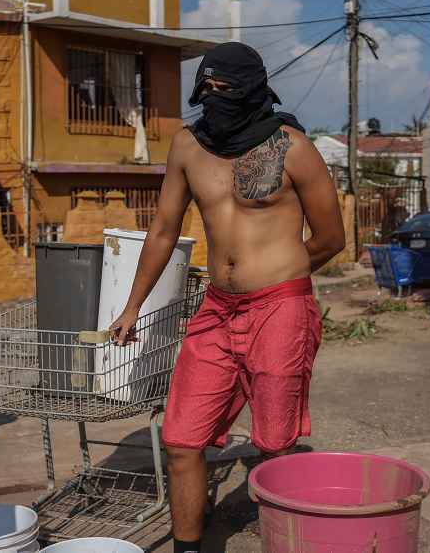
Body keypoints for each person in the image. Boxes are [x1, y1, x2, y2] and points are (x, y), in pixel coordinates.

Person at [109, 42, 346, 553]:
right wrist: (133, 306)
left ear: (254, 88)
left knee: (274, 444)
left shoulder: (292, 146)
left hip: (280, 307)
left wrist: (280, 278)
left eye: (227, 89)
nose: (215, 98)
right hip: (216, 310)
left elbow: (331, 238)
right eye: (207, 88)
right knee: (182, 440)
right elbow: (164, 231)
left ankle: (286, 542)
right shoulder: (188, 146)